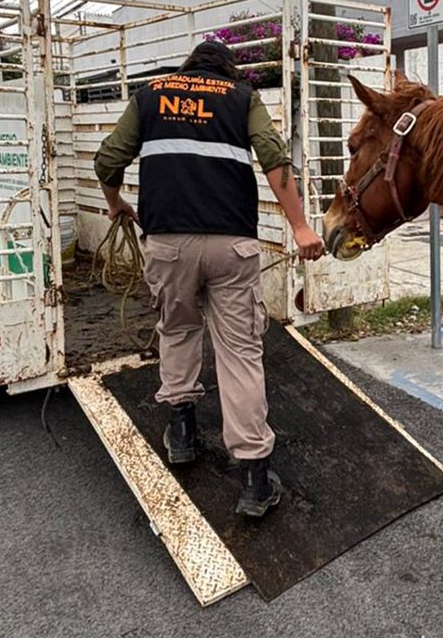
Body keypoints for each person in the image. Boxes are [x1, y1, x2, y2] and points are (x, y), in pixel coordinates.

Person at [94, 40, 324, 517]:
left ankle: (181, 434)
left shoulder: (151, 96)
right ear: (227, 69)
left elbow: (106, 160)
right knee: (239, 351)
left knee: (177, 329)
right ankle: (255, 480)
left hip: (168, 244)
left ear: (188, 66)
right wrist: (299, 226)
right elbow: (274, 157)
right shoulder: (241, 97)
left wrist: (115, 204)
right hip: (230, 245)